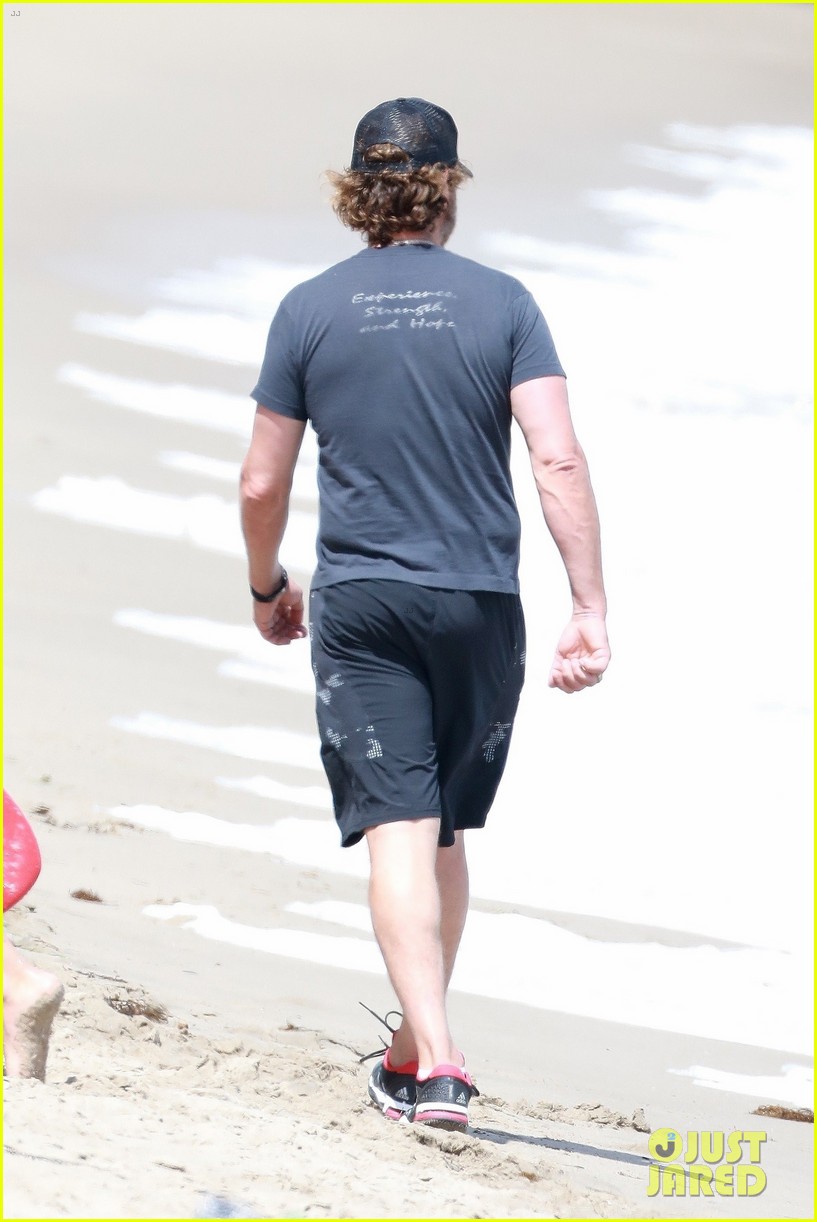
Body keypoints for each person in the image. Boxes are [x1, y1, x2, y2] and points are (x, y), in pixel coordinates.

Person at [240, 97, 610, 1131]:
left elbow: (262, 481)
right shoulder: (505, 304)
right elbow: (556, 458)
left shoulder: (308, 309)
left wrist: (267, 586)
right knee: (440, 825)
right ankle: (419, 1048)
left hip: (363, 602)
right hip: (478, 602)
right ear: (447, 187)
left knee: (399, 826)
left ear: (357, 191)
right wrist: (588, 604)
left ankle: (433, 1060)